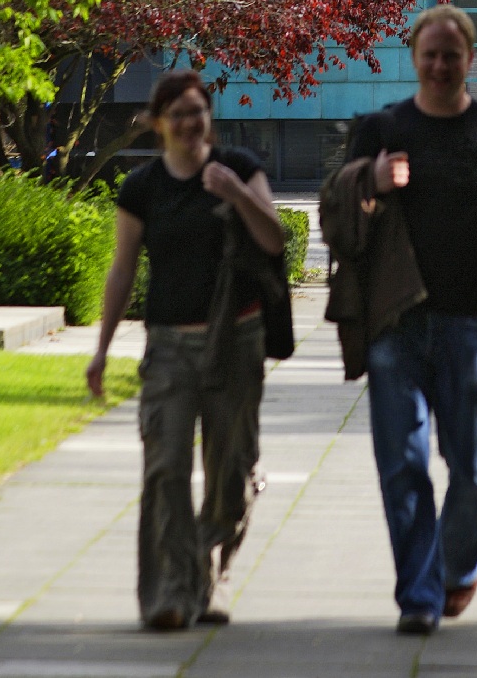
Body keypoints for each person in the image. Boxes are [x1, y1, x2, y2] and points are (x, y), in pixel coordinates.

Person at [338, 4, 477, 637]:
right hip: (396, 322)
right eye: (430, 53)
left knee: (474, 468)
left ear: (468, 59)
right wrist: (371, 176)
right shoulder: (381, 128)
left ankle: (457, 565)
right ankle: (418, 595)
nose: (440, 64)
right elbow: (339, 208)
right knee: (401, 464)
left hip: (469, 324)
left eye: (452, 54)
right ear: (415, 57)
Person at [86, 70, 285, 631]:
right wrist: (100, 350)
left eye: (198, 111)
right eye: (178, 114)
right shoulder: (142, 188)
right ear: (158, 124)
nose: (190, 122)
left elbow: (273, 239)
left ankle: (212, 576)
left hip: (235, 341)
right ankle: (170, 592)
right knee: (166, 468)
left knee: (230, 472)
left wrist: (236, 193)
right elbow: (123, 269)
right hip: (169, 345)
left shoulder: (240, 168)